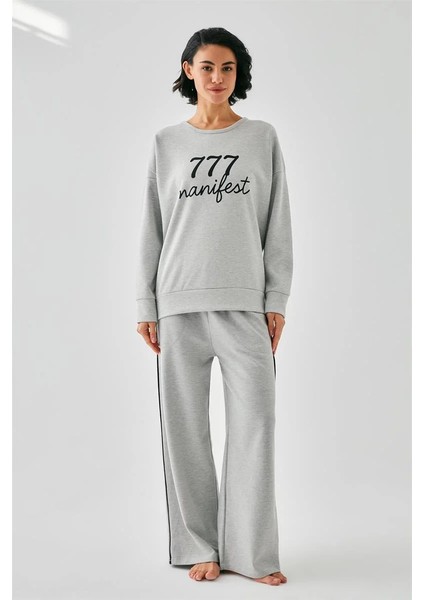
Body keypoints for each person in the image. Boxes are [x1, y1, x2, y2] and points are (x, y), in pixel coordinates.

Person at [135, 27, 293, 586]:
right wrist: (145, 302)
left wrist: (276, 298)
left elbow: (278, 224)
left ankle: (250, 553)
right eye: (207, 67)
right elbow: (152, 228)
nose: (218, 78)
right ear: (189, 71)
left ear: (237, 73)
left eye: (227, 68)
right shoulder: (166, 144)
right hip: (177, 304)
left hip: (244, 306)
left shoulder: (261, 137)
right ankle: (200, 544)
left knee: (256, 425)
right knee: (185, 432)